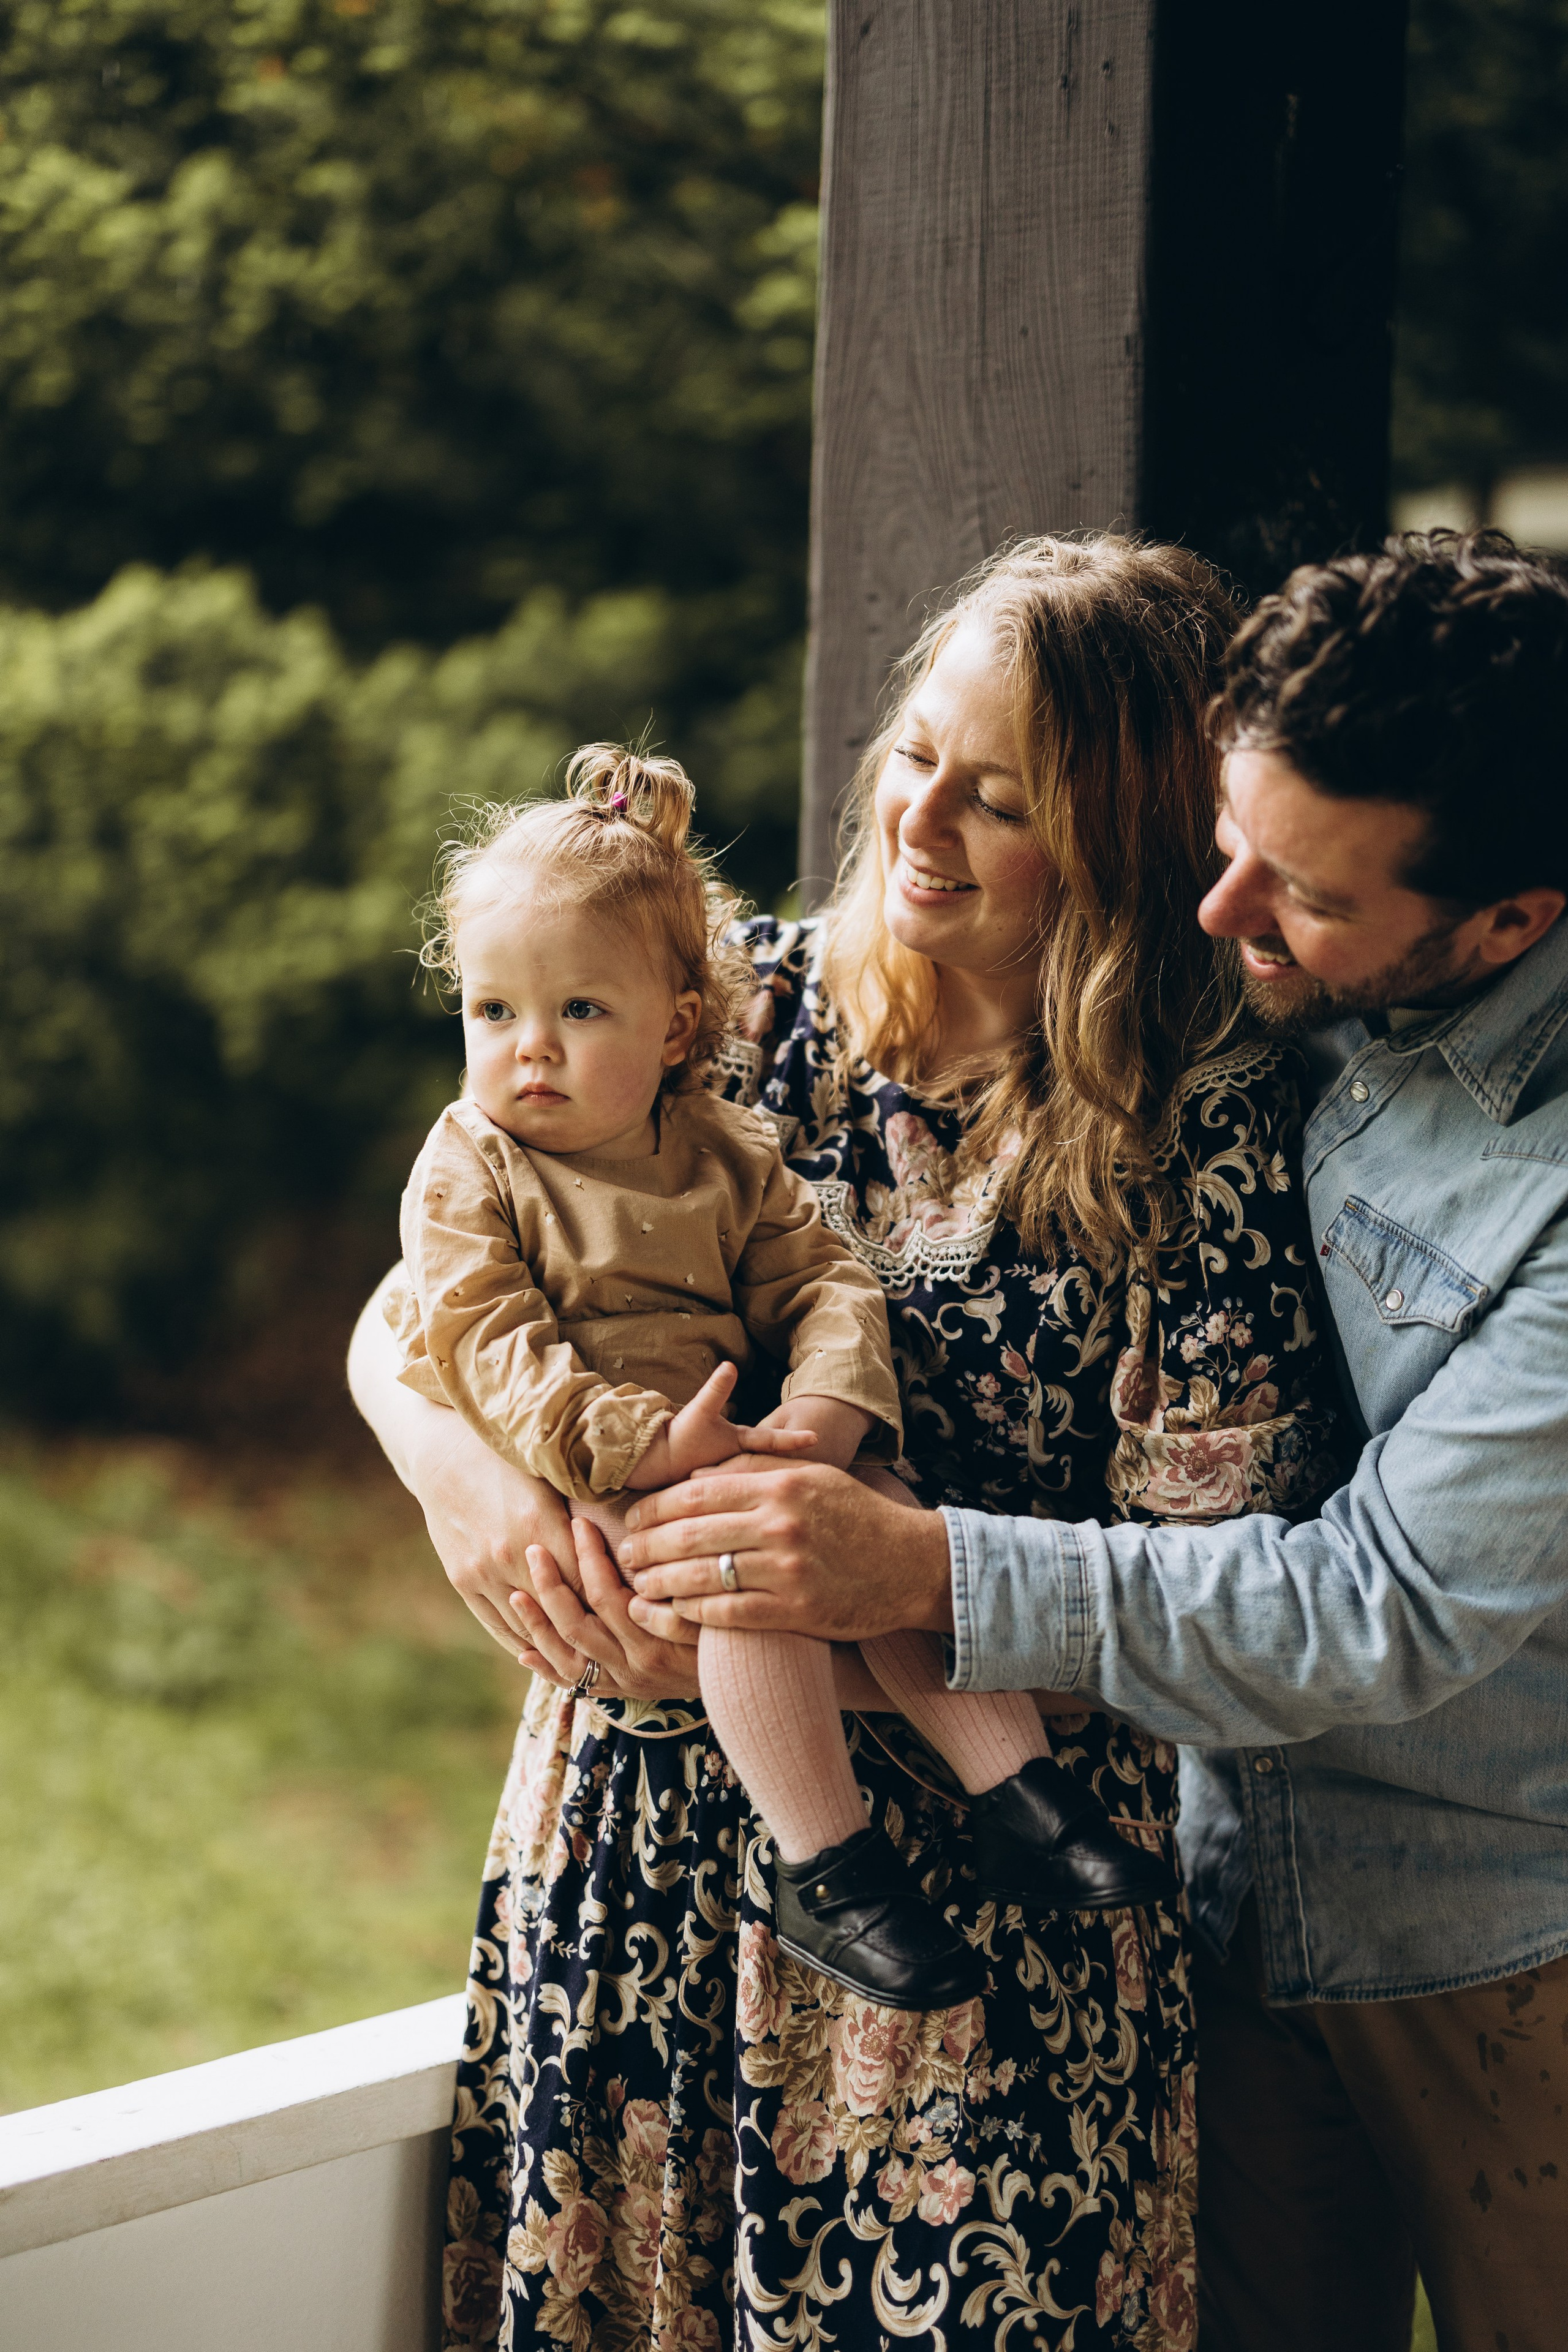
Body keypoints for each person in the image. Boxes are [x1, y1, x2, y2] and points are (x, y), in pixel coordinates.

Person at [349, 534, 1342, 2352]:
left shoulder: (1201, 1135)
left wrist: (880, 1582)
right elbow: (429, 1282)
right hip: (634, 1866)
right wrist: (474, 1489)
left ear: (1120, 836)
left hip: (986, 1943)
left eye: (1002, 800)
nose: (922, 822)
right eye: (915, 758)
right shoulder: (733, 1012)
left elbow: (1232, 1605)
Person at [620, 531, 1568, 2352]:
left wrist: (913, 1566)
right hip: (1207, 1899)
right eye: (1226, 837)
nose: (1222, 913)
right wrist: (450, 1453)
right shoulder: (1259, 989)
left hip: (1484, 1929)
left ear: (1510, 922)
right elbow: (488, 1223)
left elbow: (1380, 1613)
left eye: (1297, 889)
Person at [391, 741, 1173, 2015]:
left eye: (578, 1013)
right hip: (602, 1472)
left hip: (743, 1441)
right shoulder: (469, 1164)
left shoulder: (721, 1145)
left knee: (882, 1522)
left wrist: (824, 1408)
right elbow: (482, 1340)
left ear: (674, 1029)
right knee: (759, 1583)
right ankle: (830, 1863)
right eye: (493, 1013)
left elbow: (824, 1279)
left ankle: (1017, 1794)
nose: (528, 1050)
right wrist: (633, 1445)